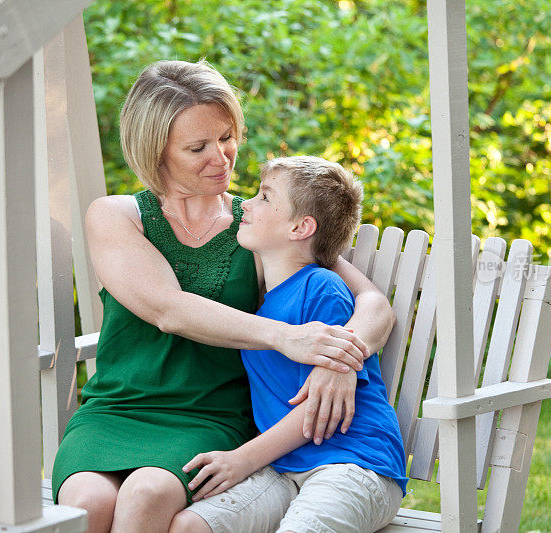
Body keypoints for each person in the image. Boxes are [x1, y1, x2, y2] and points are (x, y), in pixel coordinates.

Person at [52, 60, 394, 533]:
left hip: (210, 416)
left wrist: (339, 362)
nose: (223, 157)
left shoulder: (257, 226)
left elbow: (373, 303)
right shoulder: (116, 216)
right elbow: (168, 309)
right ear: (157, 151)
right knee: (86, 504)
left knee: (146, 495)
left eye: (227, 136)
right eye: (198, 147)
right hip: (116, 409)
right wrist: (285, 337)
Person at [171, 156, 406, 533]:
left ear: (301, 227)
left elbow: (320, 409)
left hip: (353, 465)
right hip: (285, 467)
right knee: (190, 526)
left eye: (264, 196)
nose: (245, 203)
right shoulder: (265, 304)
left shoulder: (321, 288)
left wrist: (242, 459)